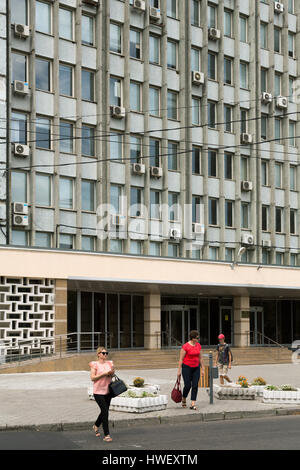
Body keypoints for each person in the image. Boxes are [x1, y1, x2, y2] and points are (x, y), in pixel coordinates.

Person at [89, 346, 115, 442]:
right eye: (103, 353)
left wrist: (111, 373)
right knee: (105, 412)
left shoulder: (109, 363)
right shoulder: (94, 364)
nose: (105, 355)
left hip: (108, 391)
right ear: (98, 354)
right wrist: (104, 374)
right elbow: (92, 378)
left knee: (104, 411)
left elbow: (112, 374)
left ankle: (96, 425)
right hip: (98, 392)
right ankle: (107, 435)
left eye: (106, 353)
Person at [177, 330, 205, 410]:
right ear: (193, 338)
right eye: (197, 338)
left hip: (196, 368)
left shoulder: (198, 345)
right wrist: (179, 371)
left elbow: (201, 358)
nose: (198, 339)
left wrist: (202, 368)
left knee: (195, 385)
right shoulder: (185, 346)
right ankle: (184, 397)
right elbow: (181, 359)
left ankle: (193, 403)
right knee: (188, 385)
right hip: (186, 368)